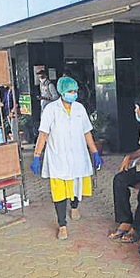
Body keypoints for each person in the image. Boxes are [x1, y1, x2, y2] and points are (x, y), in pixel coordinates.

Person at [29, 76, 104, 240]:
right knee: (59, 192)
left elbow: (87, 132)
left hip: (78, 156)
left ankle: (75, 206)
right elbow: (43, 134)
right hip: (58, 157)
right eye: (70, 91)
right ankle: (62, 225)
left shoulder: (79, 109)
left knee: (77, 185)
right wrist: (36, 156)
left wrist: (94, 152)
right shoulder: (51, 109)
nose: (74, 94)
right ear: (63, 92)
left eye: (75, 91)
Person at [108, 94, 140, 244]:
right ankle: (125, 220)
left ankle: (137, 228)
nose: (136, 112)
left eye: (137, 109)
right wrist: (129, 157)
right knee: (119, 180)